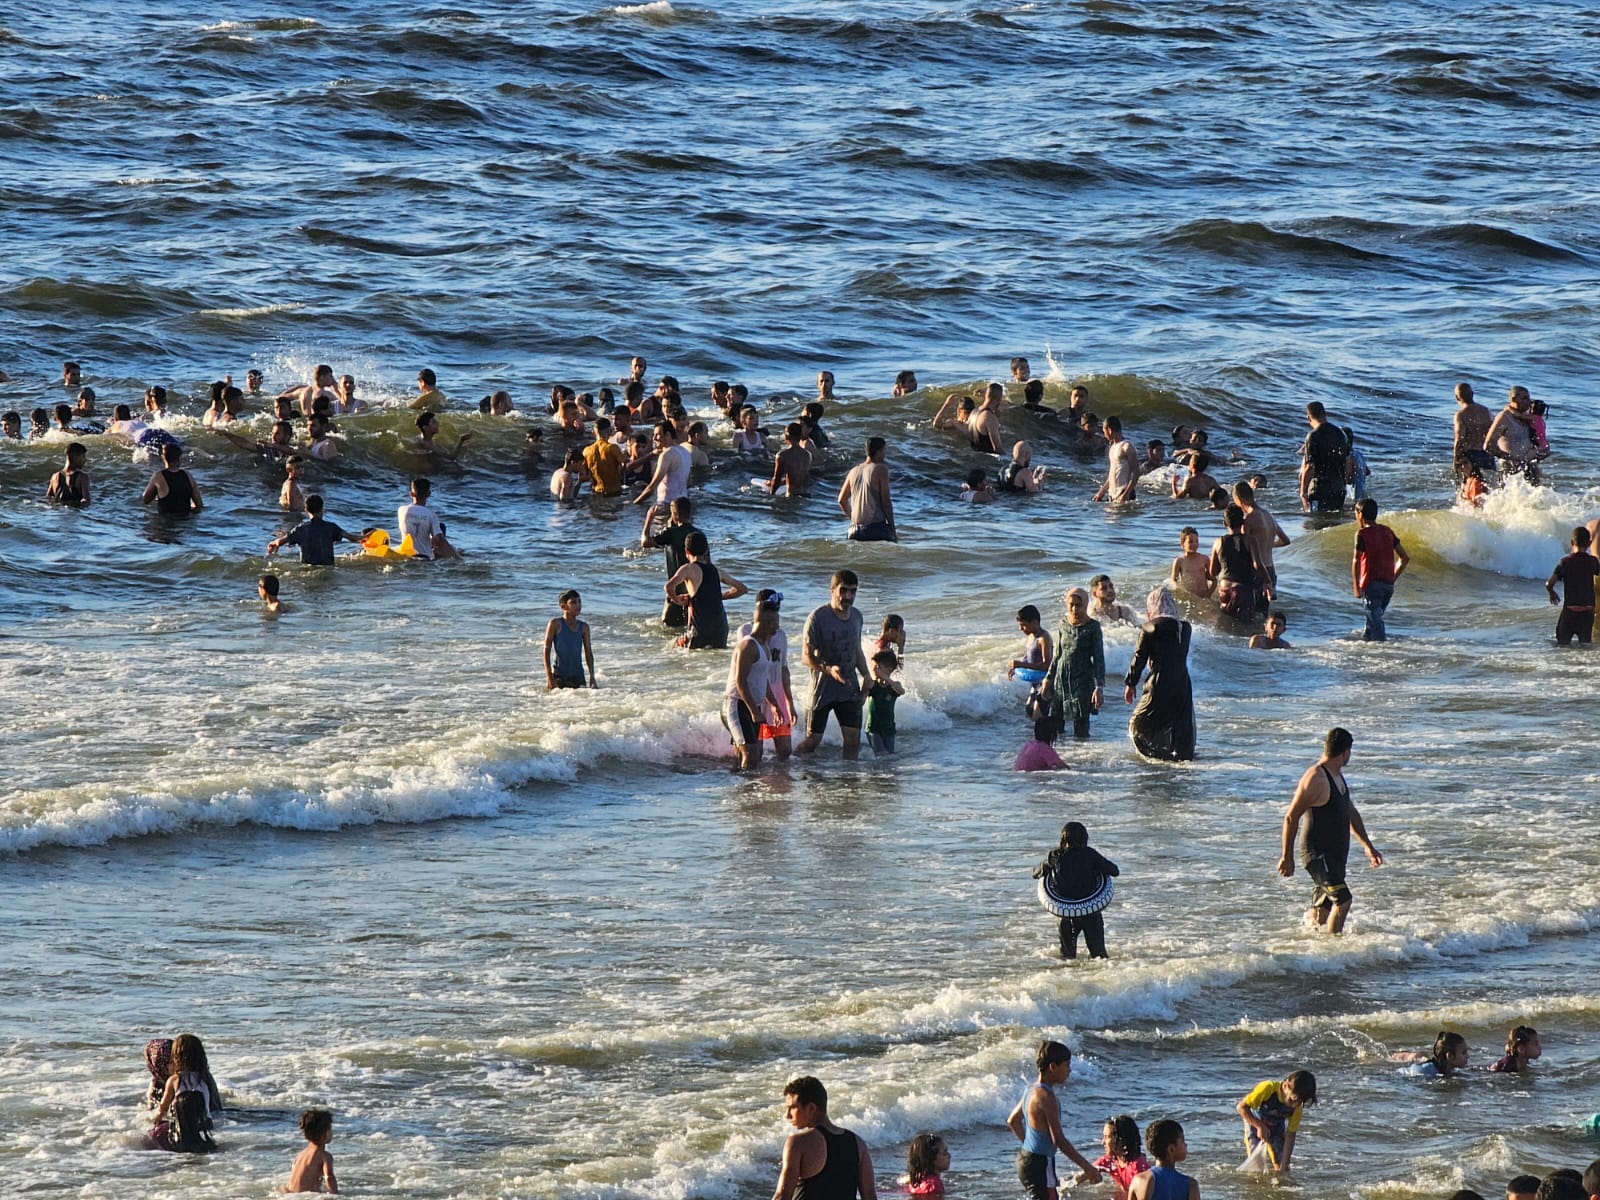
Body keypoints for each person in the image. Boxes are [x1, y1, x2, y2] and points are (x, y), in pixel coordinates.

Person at [1277, 726, 1383, 934]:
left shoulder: (1337, 777)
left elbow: (1350, 813)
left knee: (1322, 910)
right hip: (1318, 855)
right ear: (1345, 751)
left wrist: (1368, 847)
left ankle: (1311, 947)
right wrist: (1286, 856)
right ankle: (1333, 951)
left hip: (1335, 856)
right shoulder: (1316, 778)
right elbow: (1291, 816)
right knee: (1343, 901)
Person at [1006, 1041, 1102, 1199]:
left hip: (1026, 1159)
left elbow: (1013, 1121)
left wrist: (1029, 1147)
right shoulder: (1046, 1097)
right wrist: (1088, 1168)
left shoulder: (1031, 1089)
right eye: (1066, 1065)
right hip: (1040, 1164)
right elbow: (1058, 1140)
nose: (1069, 1070)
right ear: (1053, 1067)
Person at [797, 569, 871, 759]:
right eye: (843, 590)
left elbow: (856, 650)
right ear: (832, 590)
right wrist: (828, 669)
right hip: (822, 689)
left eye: (853, 591)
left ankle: (848, 783)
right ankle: (788, 769)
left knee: (853, 741)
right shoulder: (817, 618)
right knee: (812, 741)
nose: (848, 596)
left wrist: (867, 675)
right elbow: (806, 656)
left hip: (848, 688)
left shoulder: (856, 616)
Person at [772, 1075, 877, 1200]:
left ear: (811, 1108)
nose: (787, 1115)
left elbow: (782, 1196)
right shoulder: (858, 1144)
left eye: (792, 1107)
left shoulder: (798, 1144)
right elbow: (870, 1196)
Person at [1123, 587, 1195, 761]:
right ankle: (1181, 757)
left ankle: (1154, 757)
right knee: (1179, 723)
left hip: (1157, 683)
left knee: (1139, 723)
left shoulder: (1149, 628)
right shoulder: (1184, 628)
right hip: (1182, 684)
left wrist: (1130, 683)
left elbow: (1139, 658)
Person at [1033, 821, 1118, 957]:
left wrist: (1049, 866)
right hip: (1090, 912)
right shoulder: (1090, 855)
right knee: (1099, 956)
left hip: (1065, 914)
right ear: (1084, 838)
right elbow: (1114, 871)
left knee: (1068, 958)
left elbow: (1035, 873)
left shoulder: (1055, 856)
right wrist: (1097, 869)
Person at [726, 596, 784, 771]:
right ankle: (745, 794)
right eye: (775, 622)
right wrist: (753, 711)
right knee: (750, 753)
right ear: (766, 622)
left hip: (753, 705)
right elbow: (740, 681)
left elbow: (762, 680)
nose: (777, 627)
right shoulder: (748, 646)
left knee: (750, 753)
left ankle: (737, 786)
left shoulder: (764, 646)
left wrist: (774, 705)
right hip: (736, 705)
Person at [664, 531, 747, 650]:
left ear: (687, 551)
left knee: (672, 645)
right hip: (721, 632)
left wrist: (678, 600)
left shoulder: (688, 569)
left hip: (699, 632)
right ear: (706, 550)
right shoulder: (717, 571)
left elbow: (668, 587)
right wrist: (718, 596)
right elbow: (742, 589)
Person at [1045, 588, 1104, 739]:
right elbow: (1057, 654)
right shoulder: (1063, 624)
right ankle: (1058, 758)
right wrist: (1048, 678)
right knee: (1056, 726)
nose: (1074, 609)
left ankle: (1081, 759)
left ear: (1086, 605)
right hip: (1062, 680)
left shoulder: (1093, 627)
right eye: (1071, 605)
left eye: (1079, 605)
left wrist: (1099, 687)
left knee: (1081, 728)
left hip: (1082, 681)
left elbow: (1098, 659)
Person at [148, 1033, 219, 1153]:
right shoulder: (206, 1078)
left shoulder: (174, 1080)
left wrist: (152, 1120)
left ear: (176, 1057)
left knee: (154, 1135)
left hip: (181, 1128)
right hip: (204, 1125)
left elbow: (162, 1109)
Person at [1236, 1070, 1315, 1174]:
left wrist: (1284, 1164)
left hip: (1276, 1128)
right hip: (1254, 1124)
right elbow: (1241, 1108)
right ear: (1286, 1086)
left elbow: (1290, 1135)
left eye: (1299, 1102)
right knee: (1256, 1166)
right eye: (1292, 1100)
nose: (1294, 1105)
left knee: (1282, 1167)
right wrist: (1259, 1126)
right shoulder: (1267, 1089)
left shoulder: (1297, 1108)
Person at [1352, 498, 1409, 641]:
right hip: (1388, 585)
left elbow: (1356, 560)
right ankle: (1367, 643)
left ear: (1360, 514)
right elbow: (1404, 558)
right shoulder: (1387, 531)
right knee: (1373, 618)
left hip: (1371, 583)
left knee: (1375, 621)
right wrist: (1393, 577)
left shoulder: (1362, 534)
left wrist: (1356, 587)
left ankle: (1382, 649)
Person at [642, 498, 699, 628]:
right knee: (689, 628)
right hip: (695, 593)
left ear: (675, 515)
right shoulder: (699, 534)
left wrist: (649, 519)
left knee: (667, 627)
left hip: (676, 593)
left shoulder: (671, 534)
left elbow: (645, 542)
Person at [1210, 503, 1269, 620]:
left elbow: (1213, 572)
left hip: (1224, 588)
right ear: (1243, 522)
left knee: (1227, 624)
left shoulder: (1218, 542)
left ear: (1224, 523)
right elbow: (1258, 565)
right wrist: (1268, 582)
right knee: (1245, 625)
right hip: (1243, 589)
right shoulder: (1250, 540)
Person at [267, 495, 363, 565]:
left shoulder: (300, 529)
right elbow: (354, 538)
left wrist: (273, 543)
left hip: (307, 568)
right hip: (328, 567)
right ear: (322, 509)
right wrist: (367, 536)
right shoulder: (331, 527)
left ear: (306, 510)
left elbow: (280, 542)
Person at [1546, 527, 1600, 644]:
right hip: (1587, 614)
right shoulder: (1593, 562)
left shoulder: (1565, 562)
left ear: (1571, 543)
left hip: (1570, 612)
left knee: (1561, 646)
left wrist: (1551, 593)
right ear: (1589, 543)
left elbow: (1549, 584)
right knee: (1585, 647)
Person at [839, 437, 897, 542]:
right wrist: (893, 529)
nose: (885, 454)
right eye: (884, 451)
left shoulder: (854, 471)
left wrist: (853, 518)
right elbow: (886, 503)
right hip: (875, 528)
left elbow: (841, 500)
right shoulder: (880, 469)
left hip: (854, 531)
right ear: (878, 452)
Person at [632, 421, 693, 518]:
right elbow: (689, 482)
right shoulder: (685, 452)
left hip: (667, 505)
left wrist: (634, 503)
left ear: (668, 435)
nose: (654, 438)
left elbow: (652, 487)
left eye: (657, 435)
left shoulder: (667, 454)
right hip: (684, 504)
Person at [1127, 1120, 1198, 1200]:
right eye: (1183, 1141)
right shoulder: (1190, 1185)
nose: (1185, 1144)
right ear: (1171, 1149)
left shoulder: (1140, 1180)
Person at [1299, 402, 1350, 512]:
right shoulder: (1340, 434)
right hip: (1339, 488)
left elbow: (1310, 467)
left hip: (1319, 489)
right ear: (1325, 414)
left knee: (1317, 524)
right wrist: (1343, 483)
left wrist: (1303, 493)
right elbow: (1348, 462)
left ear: (1308, 418)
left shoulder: (1313, 436)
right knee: (1335, 523)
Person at [544, 589, 598, 689]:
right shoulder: (555, 624)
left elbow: (588, 653)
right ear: (563, 606)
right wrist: (549, 676)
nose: (578, 605)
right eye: (573, 602)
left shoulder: (584, 627)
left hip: (578, 677)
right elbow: (546, 651)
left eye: (579, 601)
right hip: (559, 677)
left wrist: (592, 677)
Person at [1484, 387, 1540, 481]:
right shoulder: (1504, 417)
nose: (1529, 401)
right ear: (1514, 399)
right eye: (1524, 398)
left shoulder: (1526, 417)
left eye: (1528, 398)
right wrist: (1509, 458)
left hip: (1529, 464)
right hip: (1510, 466)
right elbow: (1488, 445)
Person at [398, 477, 459, 560]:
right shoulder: (431, 515)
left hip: (407, 556)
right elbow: (440, 540)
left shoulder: (402, 510)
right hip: (425, 558)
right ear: (429, 494)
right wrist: (458, 558)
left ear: (411, 494)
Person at [1094, 1116, 1150, 1200]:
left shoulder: (1139, 1168)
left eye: (1107, 1137)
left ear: (1121, 1140)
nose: (1103, 1142)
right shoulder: (1111, 1160)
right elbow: (1088, 1171)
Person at [285, 1107, 339, 1194]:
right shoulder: (325, 1156)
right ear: (324, 1134)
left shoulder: (300, 1155)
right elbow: (329, 1177)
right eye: (330, 1129)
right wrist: (336, 1195)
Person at [141, 442, 203, 515]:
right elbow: (199, 504)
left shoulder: (158, 476)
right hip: (185, 520)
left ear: (163, 458)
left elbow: (146, 500)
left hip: (166, 522)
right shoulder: (187, 475)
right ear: (179, 458)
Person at [863, 649, 903, 756]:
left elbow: (901, 691)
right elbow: (861, 702)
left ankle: (880, 772)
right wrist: (865, 688)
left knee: (890, 756)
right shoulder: (873, 685)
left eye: (878, 667)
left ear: (889, 669)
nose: (874, 670)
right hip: (873, 728)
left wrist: (886, 678)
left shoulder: (894, 686)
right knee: (882, 754)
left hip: (889, 728)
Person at [1452, 382, 1495, 479]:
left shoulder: (1461, 415)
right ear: (1472, 394)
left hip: (1471, 454)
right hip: (1487, 453)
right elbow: (1493, 432)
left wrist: (1455, 459)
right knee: (1490, 486)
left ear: (1457, 397)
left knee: (1470, 486)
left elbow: (1460, 438)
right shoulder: (1486, 411)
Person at [1092, 415, 1138, 504]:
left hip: (1124, 492)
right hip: (1113, 495)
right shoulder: (1112, 447)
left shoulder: (1127, 446)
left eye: (1104, 432)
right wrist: (1101, 492)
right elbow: (1112, 474)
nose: (1104, 435)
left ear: (1109, 430)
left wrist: (1126, 494)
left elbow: (1136, 472)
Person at [1009, 605, 1054, 684]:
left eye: (1023, 625)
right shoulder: (1031, 636)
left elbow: (1046, 665)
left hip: (1045, 682)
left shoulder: (1044, 638)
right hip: (1035, 680)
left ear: (1035, 622)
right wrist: (1016, 667)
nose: (1020, 628)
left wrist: (1022, 664)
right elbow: (1028, 656)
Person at [1396, 1031, 1469, 1077]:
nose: (1468, 1056)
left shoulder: (1448, 1067)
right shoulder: (1426, 1072)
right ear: (1449, 1056)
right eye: (1464, 1053)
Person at [581, 419, 624, 497]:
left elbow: (583, 474)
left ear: (593, 432)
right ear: (610, 431)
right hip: (614, 492)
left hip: (597, 492)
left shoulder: (586, 451)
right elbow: (624, 465)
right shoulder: (612, 448)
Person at [769, 423, 814, 497]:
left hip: (792, 495)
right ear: (800, 436)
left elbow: (776, 479)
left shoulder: (782, 455)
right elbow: (801, 476)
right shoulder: (808, 455)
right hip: (806, 495)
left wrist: (771, 495)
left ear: (786, 436)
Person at [1169, 527, 1212, 598]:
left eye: (1196, 541)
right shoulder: (1179, 561)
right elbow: (1174, 582)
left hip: (1204, 595)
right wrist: (1182, 595)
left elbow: (1214, 581)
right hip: (1189, 597)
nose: (1194, 544)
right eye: (1190, 541)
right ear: (1182, 544)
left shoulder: (1204, 559)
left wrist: (1208, 595)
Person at [45, 442, 91, 507]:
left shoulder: (55, 476)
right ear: (75, 457)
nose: (85, 460)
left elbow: (48, 498)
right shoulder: (82, 477)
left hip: (58, 514)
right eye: (83, 456)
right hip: (74, 514)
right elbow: (86, 501)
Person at [904, 1132, 949, 1196]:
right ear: (931, 1158)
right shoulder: (934, 1186)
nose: (949, 1156)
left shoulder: (916, 1178)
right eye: (944, 1153)